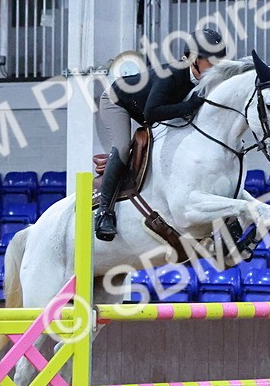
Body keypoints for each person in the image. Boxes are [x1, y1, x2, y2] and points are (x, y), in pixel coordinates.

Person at [93, 26, 229, 241]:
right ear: (193, 59)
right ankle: (104, 213)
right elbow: (151, 113)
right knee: (121, 147)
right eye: (210, 61)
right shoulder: (172, 74)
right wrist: (189, 106)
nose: (216, 66)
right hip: (117, 100)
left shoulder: (209, 81)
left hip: (147, 106)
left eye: (219, 61)